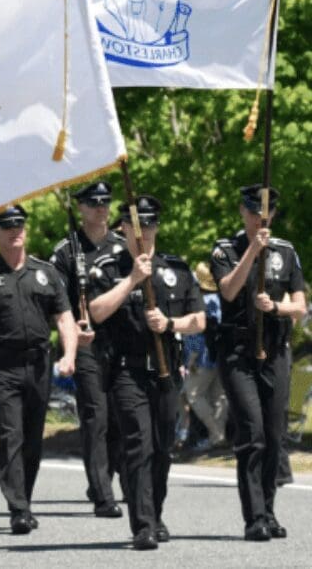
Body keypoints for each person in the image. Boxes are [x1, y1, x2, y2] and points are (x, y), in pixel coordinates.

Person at [88, 196, 205, 550]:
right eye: (136, 227)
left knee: (162, 447)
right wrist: (132, 280)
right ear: (123, 228)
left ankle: (154, 512)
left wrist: (170, 323)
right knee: (138, 444)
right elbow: (96, 311)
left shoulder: (176, 268)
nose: (144, 233)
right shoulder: (107, 268)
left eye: (150, 225)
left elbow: (198, 320)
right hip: (128, 371)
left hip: (167, 370)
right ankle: (142, 525)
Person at [0, 205, 79, 534]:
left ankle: (24, 496)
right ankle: (19, 507)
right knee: (10, 435)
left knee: (32, 439)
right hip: (2, 367)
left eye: (20, 224)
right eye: (7, 226)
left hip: (39, 364)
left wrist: (69, 354)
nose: (16, 230)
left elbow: (64, 317)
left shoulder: (46, 273)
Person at [210, 184, 306, 541]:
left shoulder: (286, 252)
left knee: (275, 436)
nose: (259, 218)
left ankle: (268, 510)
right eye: (253, 212)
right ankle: (254, 518)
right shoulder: (225, 249)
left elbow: (301, 305)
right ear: (243, 212)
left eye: (265, 213)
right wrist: (253, 249)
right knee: (253, 434)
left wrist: (276, 307)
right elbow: (229, 290)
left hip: (275, 350)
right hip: (239, 353)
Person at [50, 181, 124, 518]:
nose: (101, 208)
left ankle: (102, 479)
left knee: (121, 416)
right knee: (97, 416)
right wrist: (71, 333)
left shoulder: (124, 248)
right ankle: (103, 494)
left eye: (105, 202)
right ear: (80, 207)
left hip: (121, 343)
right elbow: (57, 303)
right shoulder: (66, 251)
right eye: (93, 203)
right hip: (86, 344)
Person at [181, 262, 228, 451]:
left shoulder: (198, 301)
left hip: (203, 356)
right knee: (219, 397)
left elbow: (196, 332)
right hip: (222, 355)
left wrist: (191, 357)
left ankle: (216, 433)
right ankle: (218, 436)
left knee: (192, 395)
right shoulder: (223, 299)